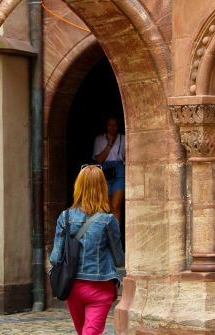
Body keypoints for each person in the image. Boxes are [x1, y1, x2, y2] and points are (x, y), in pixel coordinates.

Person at [49, 165, 125, 335]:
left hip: (73, 287)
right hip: (100, 287)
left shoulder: (65, 217)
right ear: (103, 188)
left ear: (78, 187)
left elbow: (54, 258)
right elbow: (119, 259)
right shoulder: (108, 220)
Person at [93, 117, 125, 222]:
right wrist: (109, 144)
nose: (112, 128)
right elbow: (99, 159)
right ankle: (107, 235)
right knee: (106, 207)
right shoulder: (99, 139)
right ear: (106, 126)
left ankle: (115, 237)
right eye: (110, 125)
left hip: (119, 171)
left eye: (114, 125)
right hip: (104, 172)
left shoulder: (123, 138)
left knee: (115, 206)